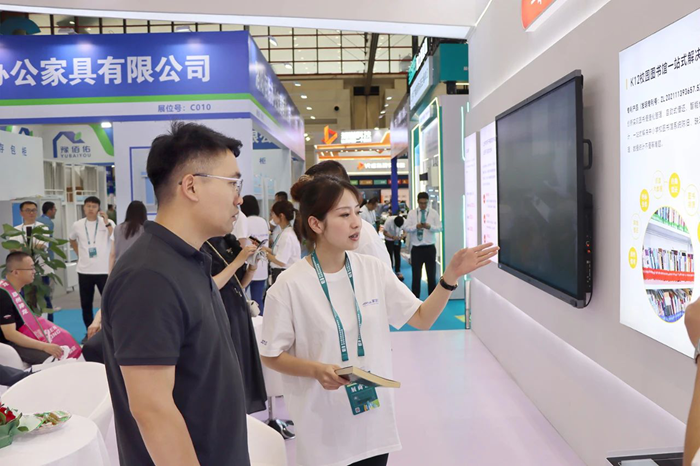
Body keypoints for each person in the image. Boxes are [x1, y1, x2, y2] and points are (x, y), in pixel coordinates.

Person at [260, 175, 498, 466]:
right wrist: (316, 370)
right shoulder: (289, 285)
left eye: (357, 212)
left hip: (373, 426)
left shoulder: (372, 270)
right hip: (324, 430)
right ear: (316, 224)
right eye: (344, 215)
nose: (356, 223)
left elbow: (421, 318)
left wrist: (450, 277)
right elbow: (271, 354)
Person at [101, 122, 250, 465]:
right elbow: (152, 409)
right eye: (232, 183)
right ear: (191, 186)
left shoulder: (189, 260)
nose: (238, 198)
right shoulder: (148, 276)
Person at [201, 235, 267, 414]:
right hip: (221, 312)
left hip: (238, 311)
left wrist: (252, 266)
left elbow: (240, 284)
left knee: (243, 363)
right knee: (229, 366)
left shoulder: (227, 242)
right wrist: (238, 261)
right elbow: (210, 286)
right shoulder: (201, 247)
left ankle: (243, 411)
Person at [299, 160, 392, 268]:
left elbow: (383, 275)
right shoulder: (324, 233)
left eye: (357, 212)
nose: (356, 224)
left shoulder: (364, 237)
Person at [0, 252, 64, 364]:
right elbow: (10, 334)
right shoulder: (4, 294)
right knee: (52, 358)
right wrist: (44, 346)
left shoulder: (17, 290)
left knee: (62, 343)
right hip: (7, 344)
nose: (34, 271)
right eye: (31, 268)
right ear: (16, 272)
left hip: (19, 336)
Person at [69, 196, 114, 331]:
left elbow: (115, 237)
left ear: (99, 208)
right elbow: (72, 239)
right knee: (86, 304)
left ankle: (107, 331)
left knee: (108, 302)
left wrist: (106, 223)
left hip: (104, 270)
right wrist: (79, 253)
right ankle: (89, 331)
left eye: (94, 206)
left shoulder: (107, 223)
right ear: (84, 208)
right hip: (84, 270)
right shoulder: (77, 225)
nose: (91, 209)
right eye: (88, 206)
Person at [12, 201, 55, 319]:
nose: (31, 213)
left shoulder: (43, 228)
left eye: (33, 210)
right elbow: (12, 249)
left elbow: (40, 246)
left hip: (41, 270)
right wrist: (27, 248)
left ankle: (49, 326)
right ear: (21, 213)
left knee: (44, 300)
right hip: (22, 272)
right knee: (25, 300)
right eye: (27, 210)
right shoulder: (15, 230)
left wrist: (22, 248)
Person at [405, 192, 442, 298]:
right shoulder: (412, 213)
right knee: (416, 276)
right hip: (416, 249)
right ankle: (415, 300)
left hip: (430, 248)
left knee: (431, 276)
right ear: (418, 202)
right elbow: (406, 228)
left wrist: (430, 227)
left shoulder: (433, 213)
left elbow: (440, 228)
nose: (423, 205)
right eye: (421, 203)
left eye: (425, 203)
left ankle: (432, 299)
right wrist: (416, 227)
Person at [240, 195, 269, 314]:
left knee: (241, 298)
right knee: (258, 300)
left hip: (248, 266)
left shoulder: (245, 221)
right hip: (262, 266)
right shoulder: (263, 221)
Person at [262, 200, 302, 286]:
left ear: (281, 216)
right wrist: (264, 249)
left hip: (283, 274)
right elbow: (279, 252)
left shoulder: (287, 235)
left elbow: (280, 261)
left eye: (272, 214)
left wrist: (264, 253)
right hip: (283, 274)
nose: (271, 217)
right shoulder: (286, 232)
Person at [109, 200, 147, 272]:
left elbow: (112, 254)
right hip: (138, 269)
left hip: (119, 269)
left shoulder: (117, 228)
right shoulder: (144, 230)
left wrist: (110, 274)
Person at [383, 215, 405, 280]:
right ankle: (390, 270)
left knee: (397, 254)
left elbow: (405, 231)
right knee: (389, 255)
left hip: (397, 239)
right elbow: (384, 232)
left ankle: (398, 271)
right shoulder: (389, 221)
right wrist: (392, 237)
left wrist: (402, 236)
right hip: (389, 239)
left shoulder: (404, 221)